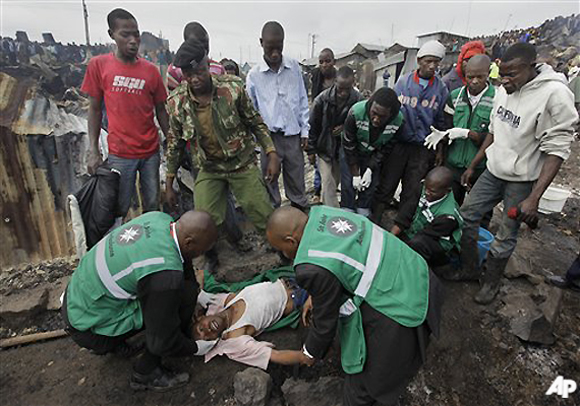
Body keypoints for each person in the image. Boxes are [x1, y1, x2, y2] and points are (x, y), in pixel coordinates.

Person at [266, 206, 442, 406]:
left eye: (282, 249)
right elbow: (340, 258)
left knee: (363, 388)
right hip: (415, 271)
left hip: (401, 304)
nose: (284, 254)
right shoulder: (322, 213)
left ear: (291, 240)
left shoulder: (309, 268)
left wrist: (309, 352)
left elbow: (325, 325)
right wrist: (316, 294)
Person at [459, 43, 578, 304]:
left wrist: (535, 197)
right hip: (493, 170)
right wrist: (473, 165)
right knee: (467, 214)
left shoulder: (554, 94)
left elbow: (557, 149)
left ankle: (490, 283)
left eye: (511, 74)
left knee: (506, 232)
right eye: (501, 73)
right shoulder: (504, 90)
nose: (504, 80)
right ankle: (468, 268)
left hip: (522, 179)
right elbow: (494, 129)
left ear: (530, 67)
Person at [62, 210, 218, 391]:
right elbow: (162, 340)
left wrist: (196, 290)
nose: (201, 254)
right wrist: (193, 347)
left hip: (76, 299)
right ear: (189, 242)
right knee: (170, 316)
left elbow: (183, 259)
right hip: (88, 326)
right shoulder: (164, 275)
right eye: (203, 250)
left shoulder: (160, 219)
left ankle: (119, 343)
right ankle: (146, 372)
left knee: (185, 292)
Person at [165, 40, 280, 247]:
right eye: (188, 75)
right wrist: (169, 182)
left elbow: (255, 122)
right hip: (209, 168)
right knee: (203, 222)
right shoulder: (177, 102)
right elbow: (174, 143)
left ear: (208, 66)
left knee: (262, 213)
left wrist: (271, 152)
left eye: (199, 71)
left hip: (241, 164)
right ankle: (212, 260)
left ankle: (281, 251)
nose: (195, 78)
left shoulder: (233, 89)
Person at [82, 8, 169, 218]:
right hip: (120, 154)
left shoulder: (150, 70)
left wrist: (172, 139)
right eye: (125, 34)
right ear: (112, 34)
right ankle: (120, 248)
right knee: (118, 207)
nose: (133, 40)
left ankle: (150, 247)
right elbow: (94, 109)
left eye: (136, 34)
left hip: (150, 152)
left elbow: (161, 110)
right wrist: (93, 150)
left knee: (152, 205)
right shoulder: (99, 66)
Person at [371, 41, 449, 230]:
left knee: (412, 189)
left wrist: (439, 149)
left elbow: (440, 123)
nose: (432, 66)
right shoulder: (403, 82)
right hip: (399, 143)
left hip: (423, 148)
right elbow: (391, 112)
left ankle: (400, 228)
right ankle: (374, 222)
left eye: (436, 62)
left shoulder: (440, 89)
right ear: (419, 61)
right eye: (429, 61)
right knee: (387, 183)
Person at [246, 21, 310, 211]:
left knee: (296, 180)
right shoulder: (254, 76)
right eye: (270, 48)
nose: (275, 53)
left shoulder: (294, 68)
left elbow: (302, 99)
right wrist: (259, 142)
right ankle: (273, 221)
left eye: (279, 48)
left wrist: (305, 130)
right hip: (269, 140)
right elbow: (252, 111)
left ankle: (298, 215)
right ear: (261, 43)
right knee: (270, 180)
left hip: (292, 136)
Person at [192, 278, 310, 369]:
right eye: (208, 339)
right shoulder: (235, 338)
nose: (208, 331)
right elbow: (275, 355)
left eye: (201, 329)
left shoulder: (219, 302)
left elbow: (201, 275)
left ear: (201, 318)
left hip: (290, 278)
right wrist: (305, 357)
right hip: (300, 296)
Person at [436, 55, 496, 221]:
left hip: (481, 168)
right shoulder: (455, 97)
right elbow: (445, 127)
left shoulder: (497, 99)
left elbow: (495, 136)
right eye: (470, 77)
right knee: (450, 208)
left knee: (481, 212)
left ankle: (475, 243)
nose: (475, 81)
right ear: (464, 74)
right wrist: (441, 151)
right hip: (454, 163)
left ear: (488, 73)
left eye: (480, 77)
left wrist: (470, 134)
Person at [341, 87, 403, 216]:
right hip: (352, 150)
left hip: (374, 153)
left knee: (370, 185)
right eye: (374, 113)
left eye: (382, 116)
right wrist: (355, 173)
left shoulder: (399, 121)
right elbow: (348, 143)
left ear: (390, 114)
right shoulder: (355, 112)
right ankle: (347, 210)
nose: (376, 119)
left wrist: (370, 168)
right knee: (348, 184)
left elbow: (387, 148)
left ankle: (363, 209)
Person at [307, 66, 361, 207]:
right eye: (340, 88)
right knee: (327, 182)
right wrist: (311, 151)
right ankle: (333, 214)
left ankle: (331, 210)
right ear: (335, 82)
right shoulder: (322, 100)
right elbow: (313, 126)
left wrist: (344, 127)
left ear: (353, 84)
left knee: (335, 180)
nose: (343, 93)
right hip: (324, 147)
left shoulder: (358, 100)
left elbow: (359, 125)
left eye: (347, 89)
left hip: (343, 149)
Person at [402, 167, 462, 267]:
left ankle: (419, 267)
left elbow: (424, 235)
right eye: (426, 188)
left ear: (446, 191)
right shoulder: (426, 187)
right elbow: (405, 213)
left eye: (432, 191)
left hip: (438, 246)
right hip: (420, 231)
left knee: (418, 244)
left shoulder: (448, 217)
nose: (426, 193)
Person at [309, 48, 337, 205]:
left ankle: (331, 189)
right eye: (321, 62)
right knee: (319, 160)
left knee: (333, 159)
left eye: (328, 61)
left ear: (334, 62)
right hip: (320, 123)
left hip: (335, 125)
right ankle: (317, 191)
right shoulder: (316, 77)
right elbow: (315, 104)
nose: (324, 64)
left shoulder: (339, 78)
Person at [166, 22, 226, 92]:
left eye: (206, 43)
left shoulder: (218, 68)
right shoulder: (174, 71)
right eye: (188, 74)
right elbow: (172, 99)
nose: (205, 48)